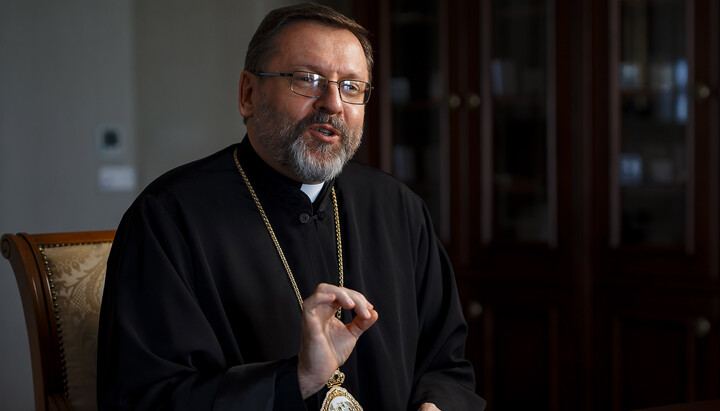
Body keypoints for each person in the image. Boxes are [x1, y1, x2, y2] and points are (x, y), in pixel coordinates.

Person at [97, 3, 485, 410]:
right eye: (308, 79)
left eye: (351, 87)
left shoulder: (400, 210)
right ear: (248, 93)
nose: (333, 103)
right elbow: (143, 399)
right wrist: (296, 379)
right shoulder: (168, 217)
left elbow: (446, 365)